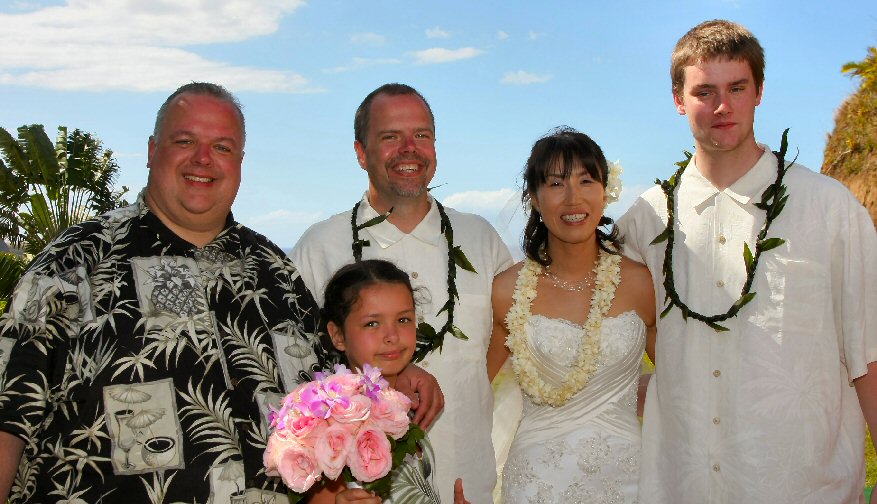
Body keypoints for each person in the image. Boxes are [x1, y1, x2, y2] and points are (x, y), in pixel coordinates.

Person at [0, 82, 440, 504]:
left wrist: (395, 377)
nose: (204, 160)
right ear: (153, 151)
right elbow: (8, 416)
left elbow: (325, 410)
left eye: (223, 148)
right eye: (186, 141)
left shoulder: (276, 273)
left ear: (241, 161)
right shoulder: (76, 262)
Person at [618, 20, 877, 503]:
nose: (722, 106)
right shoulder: (644, 220)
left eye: (737, 87)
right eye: (704, 91)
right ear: (678, 99)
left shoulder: (828, 208)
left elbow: (870, 353)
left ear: (759, 91)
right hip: (680, 485)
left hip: (802, 486)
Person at [291, 83, 513, 504]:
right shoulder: (319, 246)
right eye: (390, 137)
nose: (409, 149)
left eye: (422, 135)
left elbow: (508, 329)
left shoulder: (480, 238)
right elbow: (297, 372)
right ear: (361, 152)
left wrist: (471, 386)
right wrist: (385, 382)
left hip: (464, 481)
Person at [487, 127, 655, 503]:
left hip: (629, 482)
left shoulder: (642, 284)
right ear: (534, 197)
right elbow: (471, 391)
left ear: (605, 191)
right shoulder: (505, 292)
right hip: (536, 486)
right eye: (556, 183)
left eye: (586, 180)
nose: (573, 197)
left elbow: (683, 385)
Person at [309, 259, 470, 504]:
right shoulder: (329, 427)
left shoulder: (407, 409)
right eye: (372, 323)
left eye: (403, 320)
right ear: (338, 335)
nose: (392, 336)